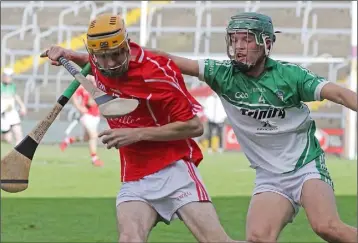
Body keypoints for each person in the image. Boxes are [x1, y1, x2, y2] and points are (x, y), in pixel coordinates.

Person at [149, 12, 358, 243]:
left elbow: (338, 93)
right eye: (234, 39)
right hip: (269, 176)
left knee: (326, 226)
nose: (238, 47)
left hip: (305, 166)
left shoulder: (289, 76)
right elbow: (169, 60)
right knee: (258, 238)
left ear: (266, 43)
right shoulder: (222, 74)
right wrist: (130, 51)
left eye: (247, 40)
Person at [42, 13, 243, 243]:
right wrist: (68, 54)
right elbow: (95, 59)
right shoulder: (99, 63)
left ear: (126, 45)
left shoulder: (157, 73)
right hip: (135, 177)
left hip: (173, 169)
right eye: (102, 57)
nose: (110, 64)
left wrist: (137, 133)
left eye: (116, 54)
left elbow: (194, 126)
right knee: (129, 238)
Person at [60, 74, 104, 167]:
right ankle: (95, 159)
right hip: (87, 115)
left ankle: (69, 140)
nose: (92, 78)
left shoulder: (98, 86)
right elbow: (74, 96)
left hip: (96, 116)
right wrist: (80, 107)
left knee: (86, 139)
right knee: (93, 136)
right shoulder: (84, 87)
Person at [1, 68, 27, 145]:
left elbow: (15, 96)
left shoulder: (13, 86)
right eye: (7, 76)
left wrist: (23, 106)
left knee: (18, 134)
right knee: (8, 139)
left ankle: (19, 153)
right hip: (3, 115)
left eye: (10, 76)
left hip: (12, 112)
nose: (9, 78)